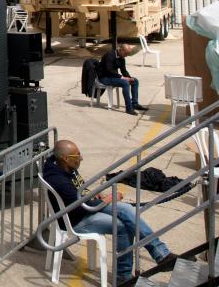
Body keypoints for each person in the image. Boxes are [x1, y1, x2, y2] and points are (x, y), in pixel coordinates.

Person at [42, 139, 174, 284]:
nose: (81, 158)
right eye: (77, 156)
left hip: (83, 208)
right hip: (76, 219)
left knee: (126, 211)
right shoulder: (58, 179)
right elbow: (83, 204)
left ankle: (159, 255)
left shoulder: (64, 164)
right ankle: (127, 274)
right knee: (123, 223)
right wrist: (109, 198)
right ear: (65, 159)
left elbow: (80, 192)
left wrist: (96, 195)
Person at [97, 42, 148, 115]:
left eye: (128, 54)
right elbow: (108, 70)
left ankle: (135, 104)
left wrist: (129, 78)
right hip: (105, 77)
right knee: (125, 83)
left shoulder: (122, 57)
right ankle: (129, 108)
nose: (126, 56)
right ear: (121, 50)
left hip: (113, 77)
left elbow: (123, 70)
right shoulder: (110, 55)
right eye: (126, 54)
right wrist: (122, 78)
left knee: (135, 81)